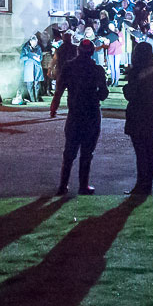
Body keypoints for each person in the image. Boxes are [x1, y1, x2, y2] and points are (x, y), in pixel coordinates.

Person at [50, 37, 110, 195]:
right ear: (91, 52)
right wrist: (96, 94)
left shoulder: (69, 67)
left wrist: (54, 106)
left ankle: (63, 186)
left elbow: (59, 90)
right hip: (91, 114)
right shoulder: (97, 70)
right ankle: (83, 185)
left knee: (69, 151)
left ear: (78, 51)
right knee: (87, 152)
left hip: (75, 113)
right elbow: (103, 94)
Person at [122, 41, 153, 196]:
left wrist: (127, 88)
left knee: (141, 150)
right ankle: (147, 184)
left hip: (137, 111)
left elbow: (130, 94)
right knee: (148, 148)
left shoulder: (136, 72)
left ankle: (141, 184)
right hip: (150, 111)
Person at [18, 35, 44, 103]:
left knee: (37, 84)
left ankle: (37, 99)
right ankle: (32, 99)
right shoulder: (26, 48)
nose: (35, 43)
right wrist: (28, 57)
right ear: (30, 41)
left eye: (36, 42)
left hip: (37, 68)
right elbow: (21, 58)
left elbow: (40, 58)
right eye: (34, 42)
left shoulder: (38, 48)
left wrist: (36, 57)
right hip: (29, 68)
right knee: (29, 84)